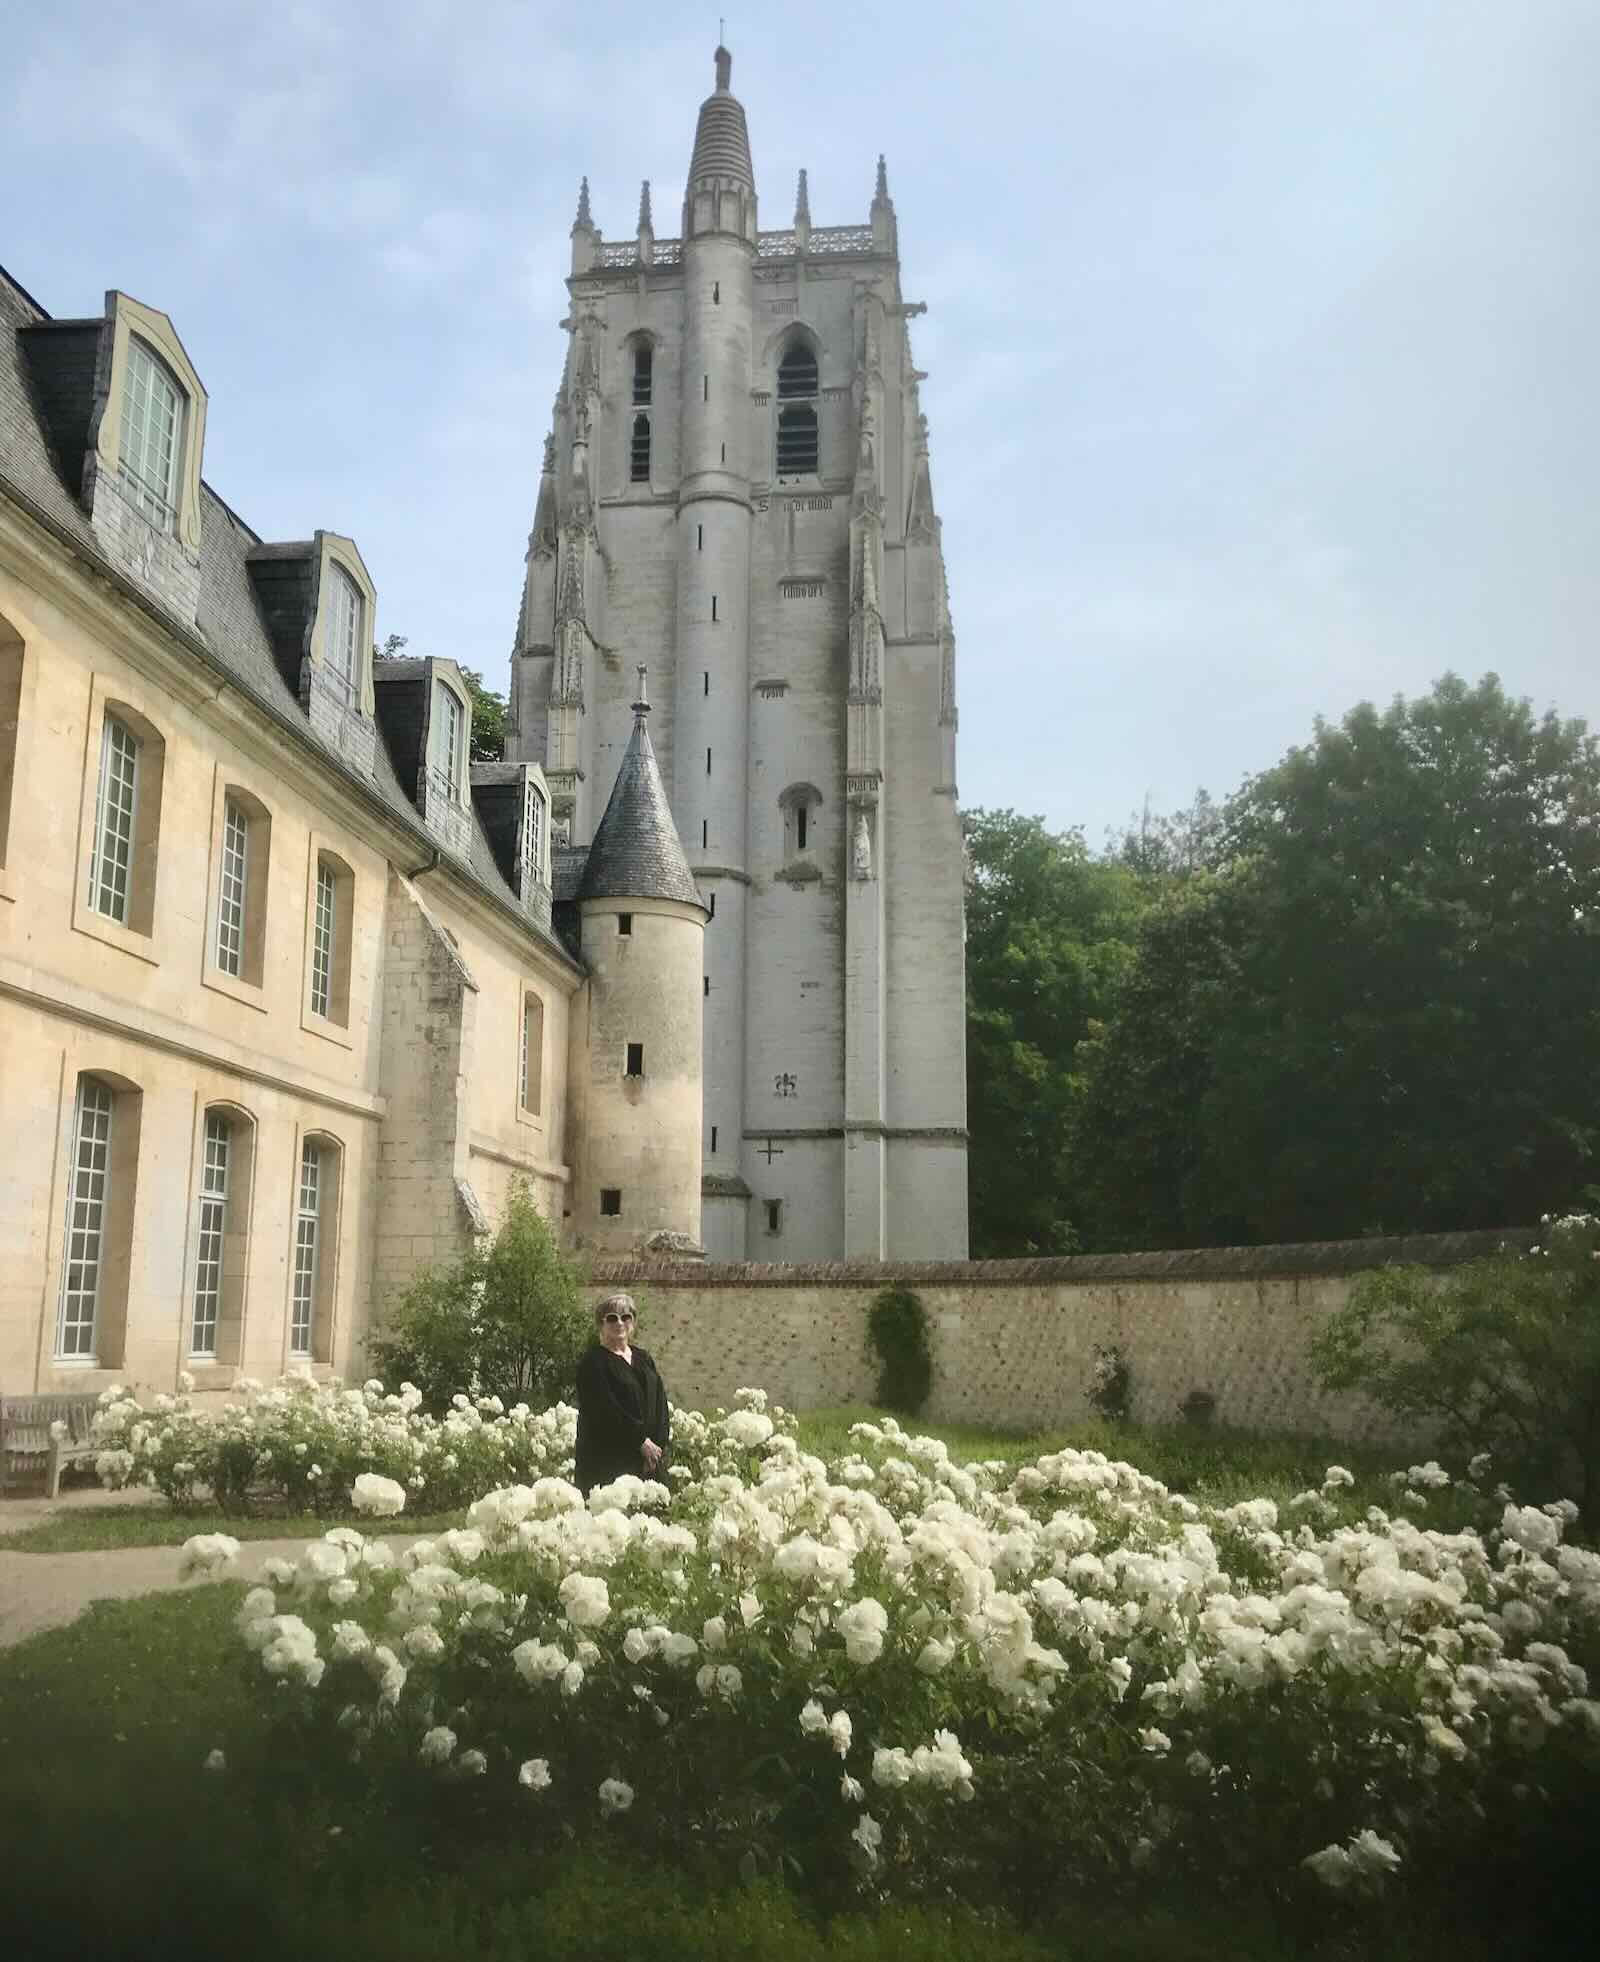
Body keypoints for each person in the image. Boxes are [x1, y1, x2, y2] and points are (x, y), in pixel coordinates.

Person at [573, 1292, 671, 1497]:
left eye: (626, 1317)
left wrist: (655, 1449)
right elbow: (605, 1410)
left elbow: (660, 1402)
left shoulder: (644, 1358)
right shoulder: (593, 1363)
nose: (619, 1323)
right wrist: (640, 1442)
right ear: (601, 1324)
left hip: (649, 1463)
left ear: (633, 1322)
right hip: (610, 1463)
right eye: (612, 1318)